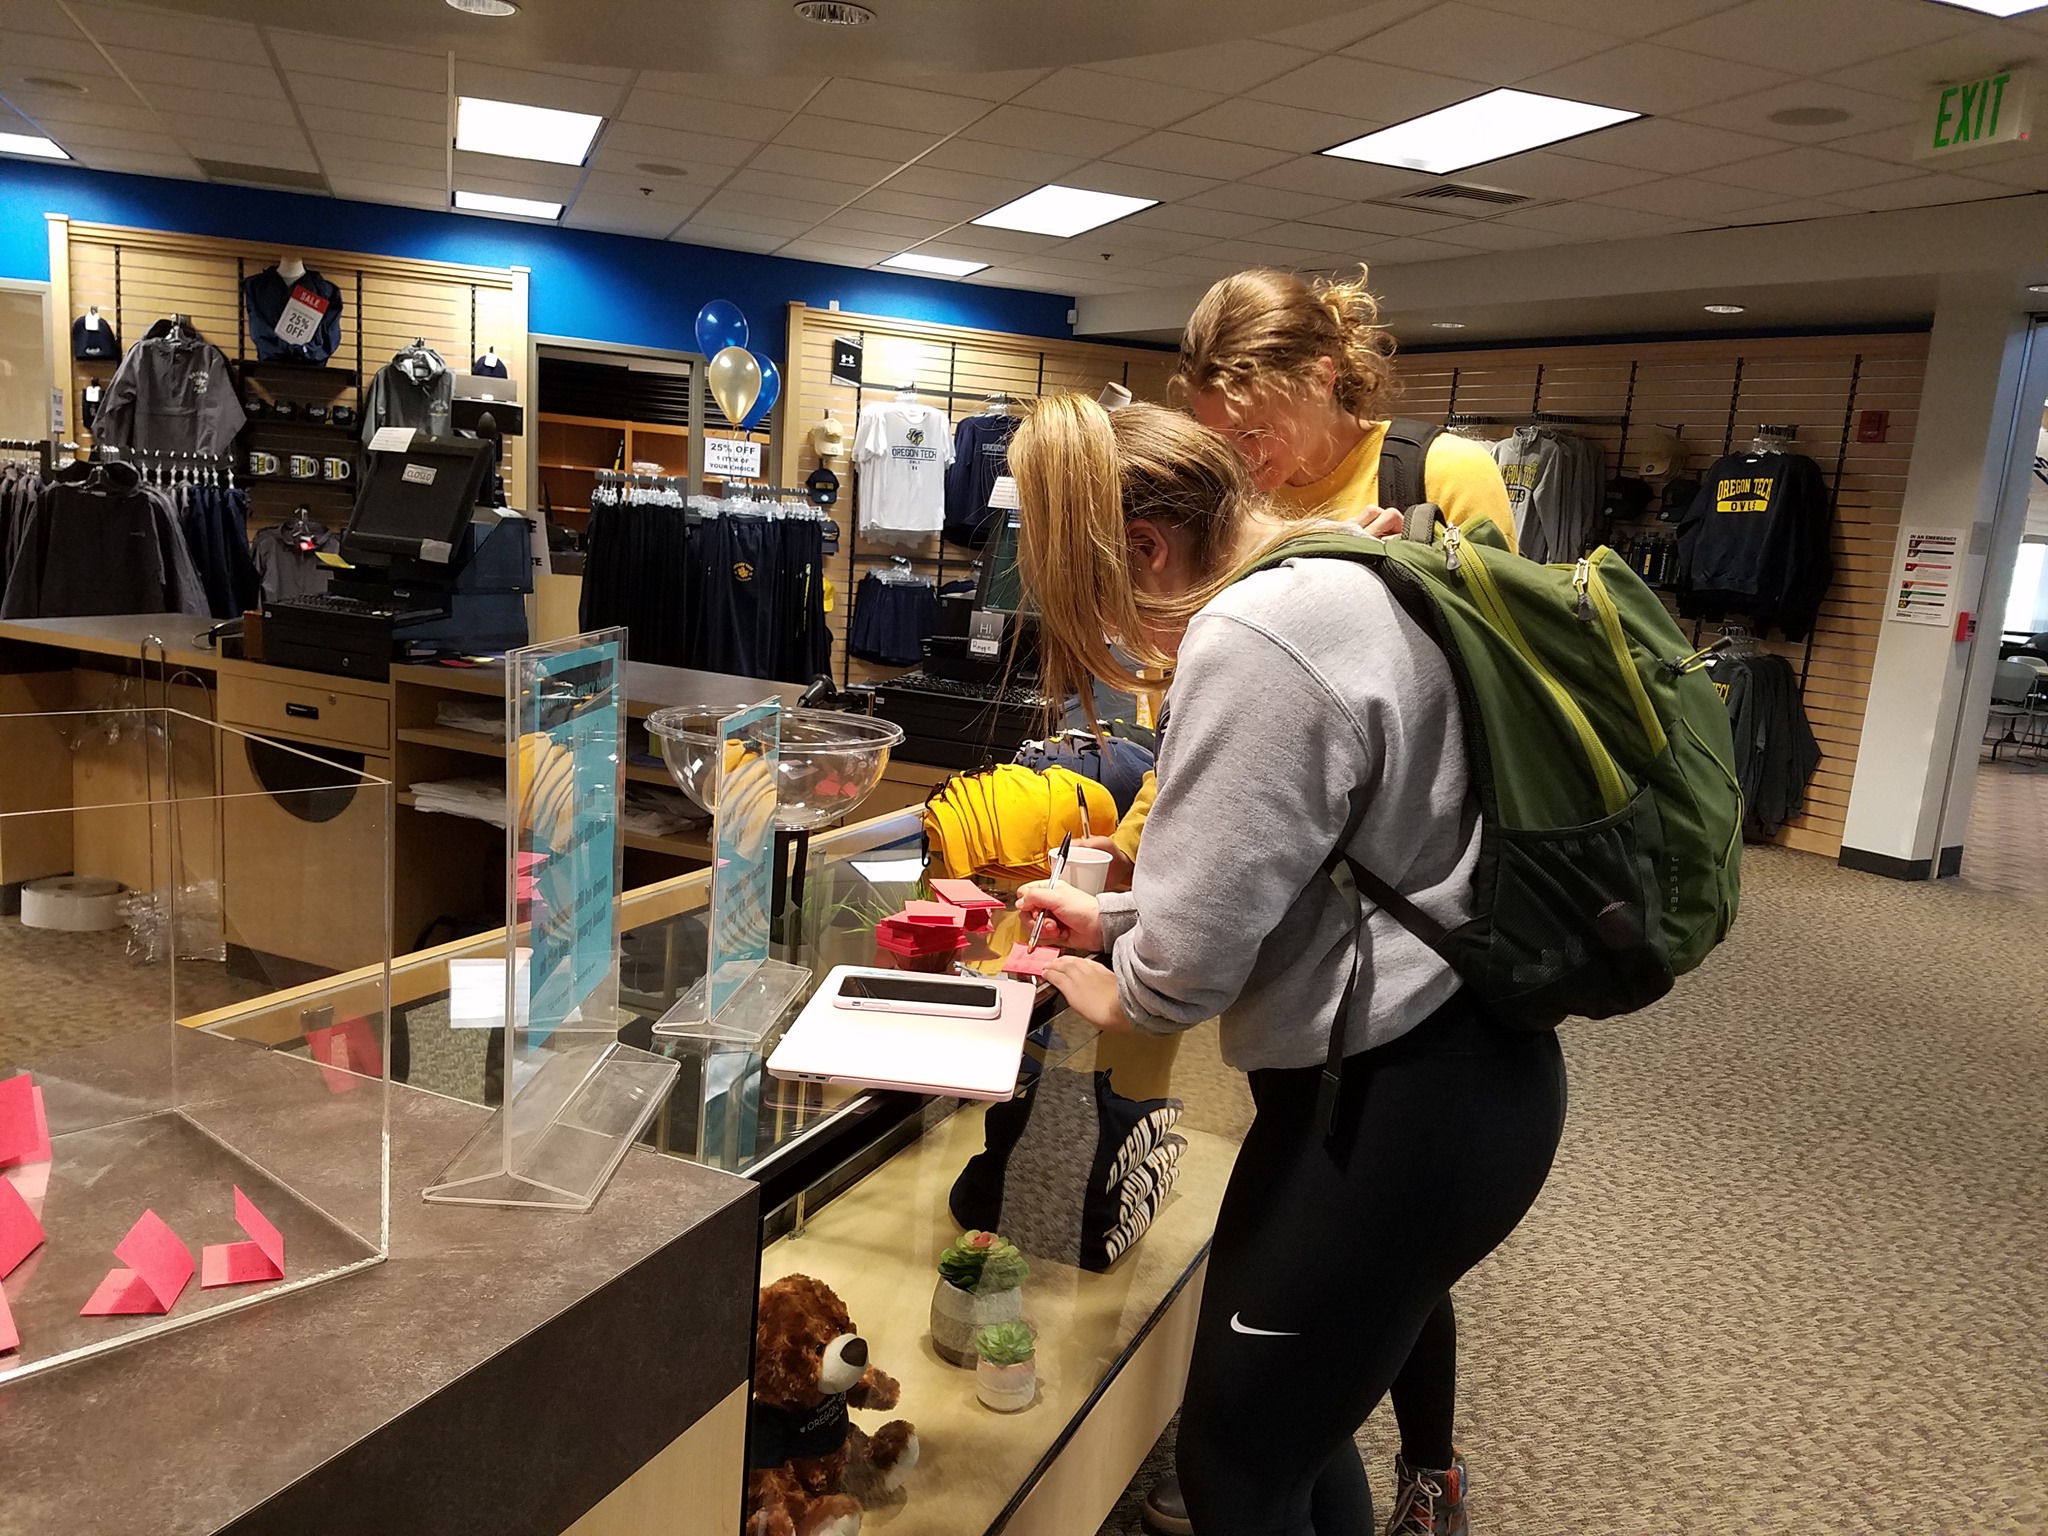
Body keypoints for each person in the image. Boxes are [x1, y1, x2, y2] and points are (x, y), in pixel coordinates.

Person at [1012, 396, 1565, 1536]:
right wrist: (1117, 920)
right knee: (1290, 1447)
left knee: (1235, 1471)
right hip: (1437, 1078)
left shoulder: (1259, 636)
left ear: (1150, 549)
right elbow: (1312, 863)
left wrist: (1129, 982)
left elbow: (1191, 967)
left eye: (1106, 606)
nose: (1127, 644)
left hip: (1400, 1106)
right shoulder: (1338, 575)